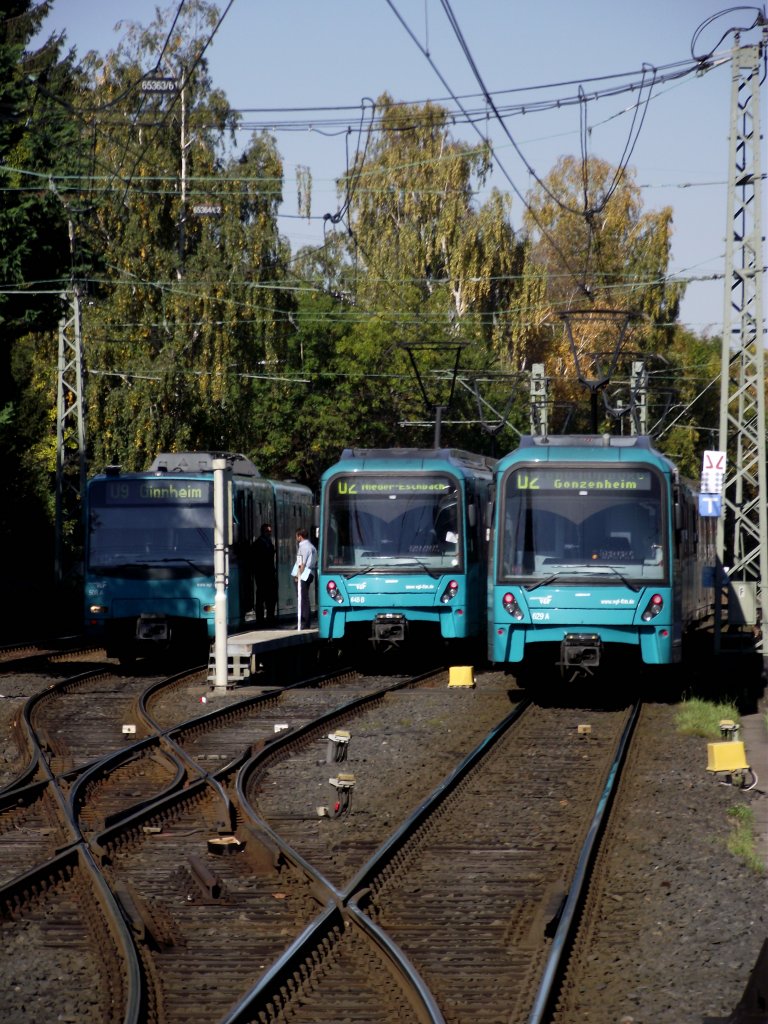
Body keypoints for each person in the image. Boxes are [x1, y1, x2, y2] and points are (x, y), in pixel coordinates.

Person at [292, 527, 317, 629]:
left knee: (303, 599)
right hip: (309, 573)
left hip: (304, 574)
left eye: (296, 536)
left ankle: (305, 622)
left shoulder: (304, 547)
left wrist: (298, 576)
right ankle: (304, 622)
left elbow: (301, 564)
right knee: (304, 598)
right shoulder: (311, 546)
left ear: (300, 536)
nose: (296, 538)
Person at [254, 523, 277, 627]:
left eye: (270, 531)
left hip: (270, 574)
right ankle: (260, 619)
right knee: (261, 598)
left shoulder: (269, 543)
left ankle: (270, 618)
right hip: (262, 574)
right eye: (268, 531)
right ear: (263, 532)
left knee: (271, 598)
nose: (269, 533)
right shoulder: (258, 543)